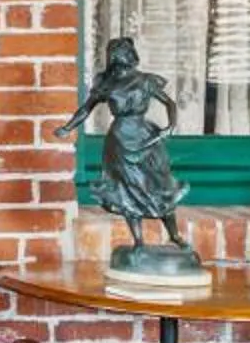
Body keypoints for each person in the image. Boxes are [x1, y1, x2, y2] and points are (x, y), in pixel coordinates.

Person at [54, 36, 195, 260]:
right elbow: (85, 109)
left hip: (145, 138)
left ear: (130, 56)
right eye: (117, 53)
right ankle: (139, 242)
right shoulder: (106, 84)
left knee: (160, 187)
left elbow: (169, 103)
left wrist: (170, 126)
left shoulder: (145, 81)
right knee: (126, 192)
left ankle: (174, 235)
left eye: (125, 52)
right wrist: (67, 127)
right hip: (119, 141)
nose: (121, 57)